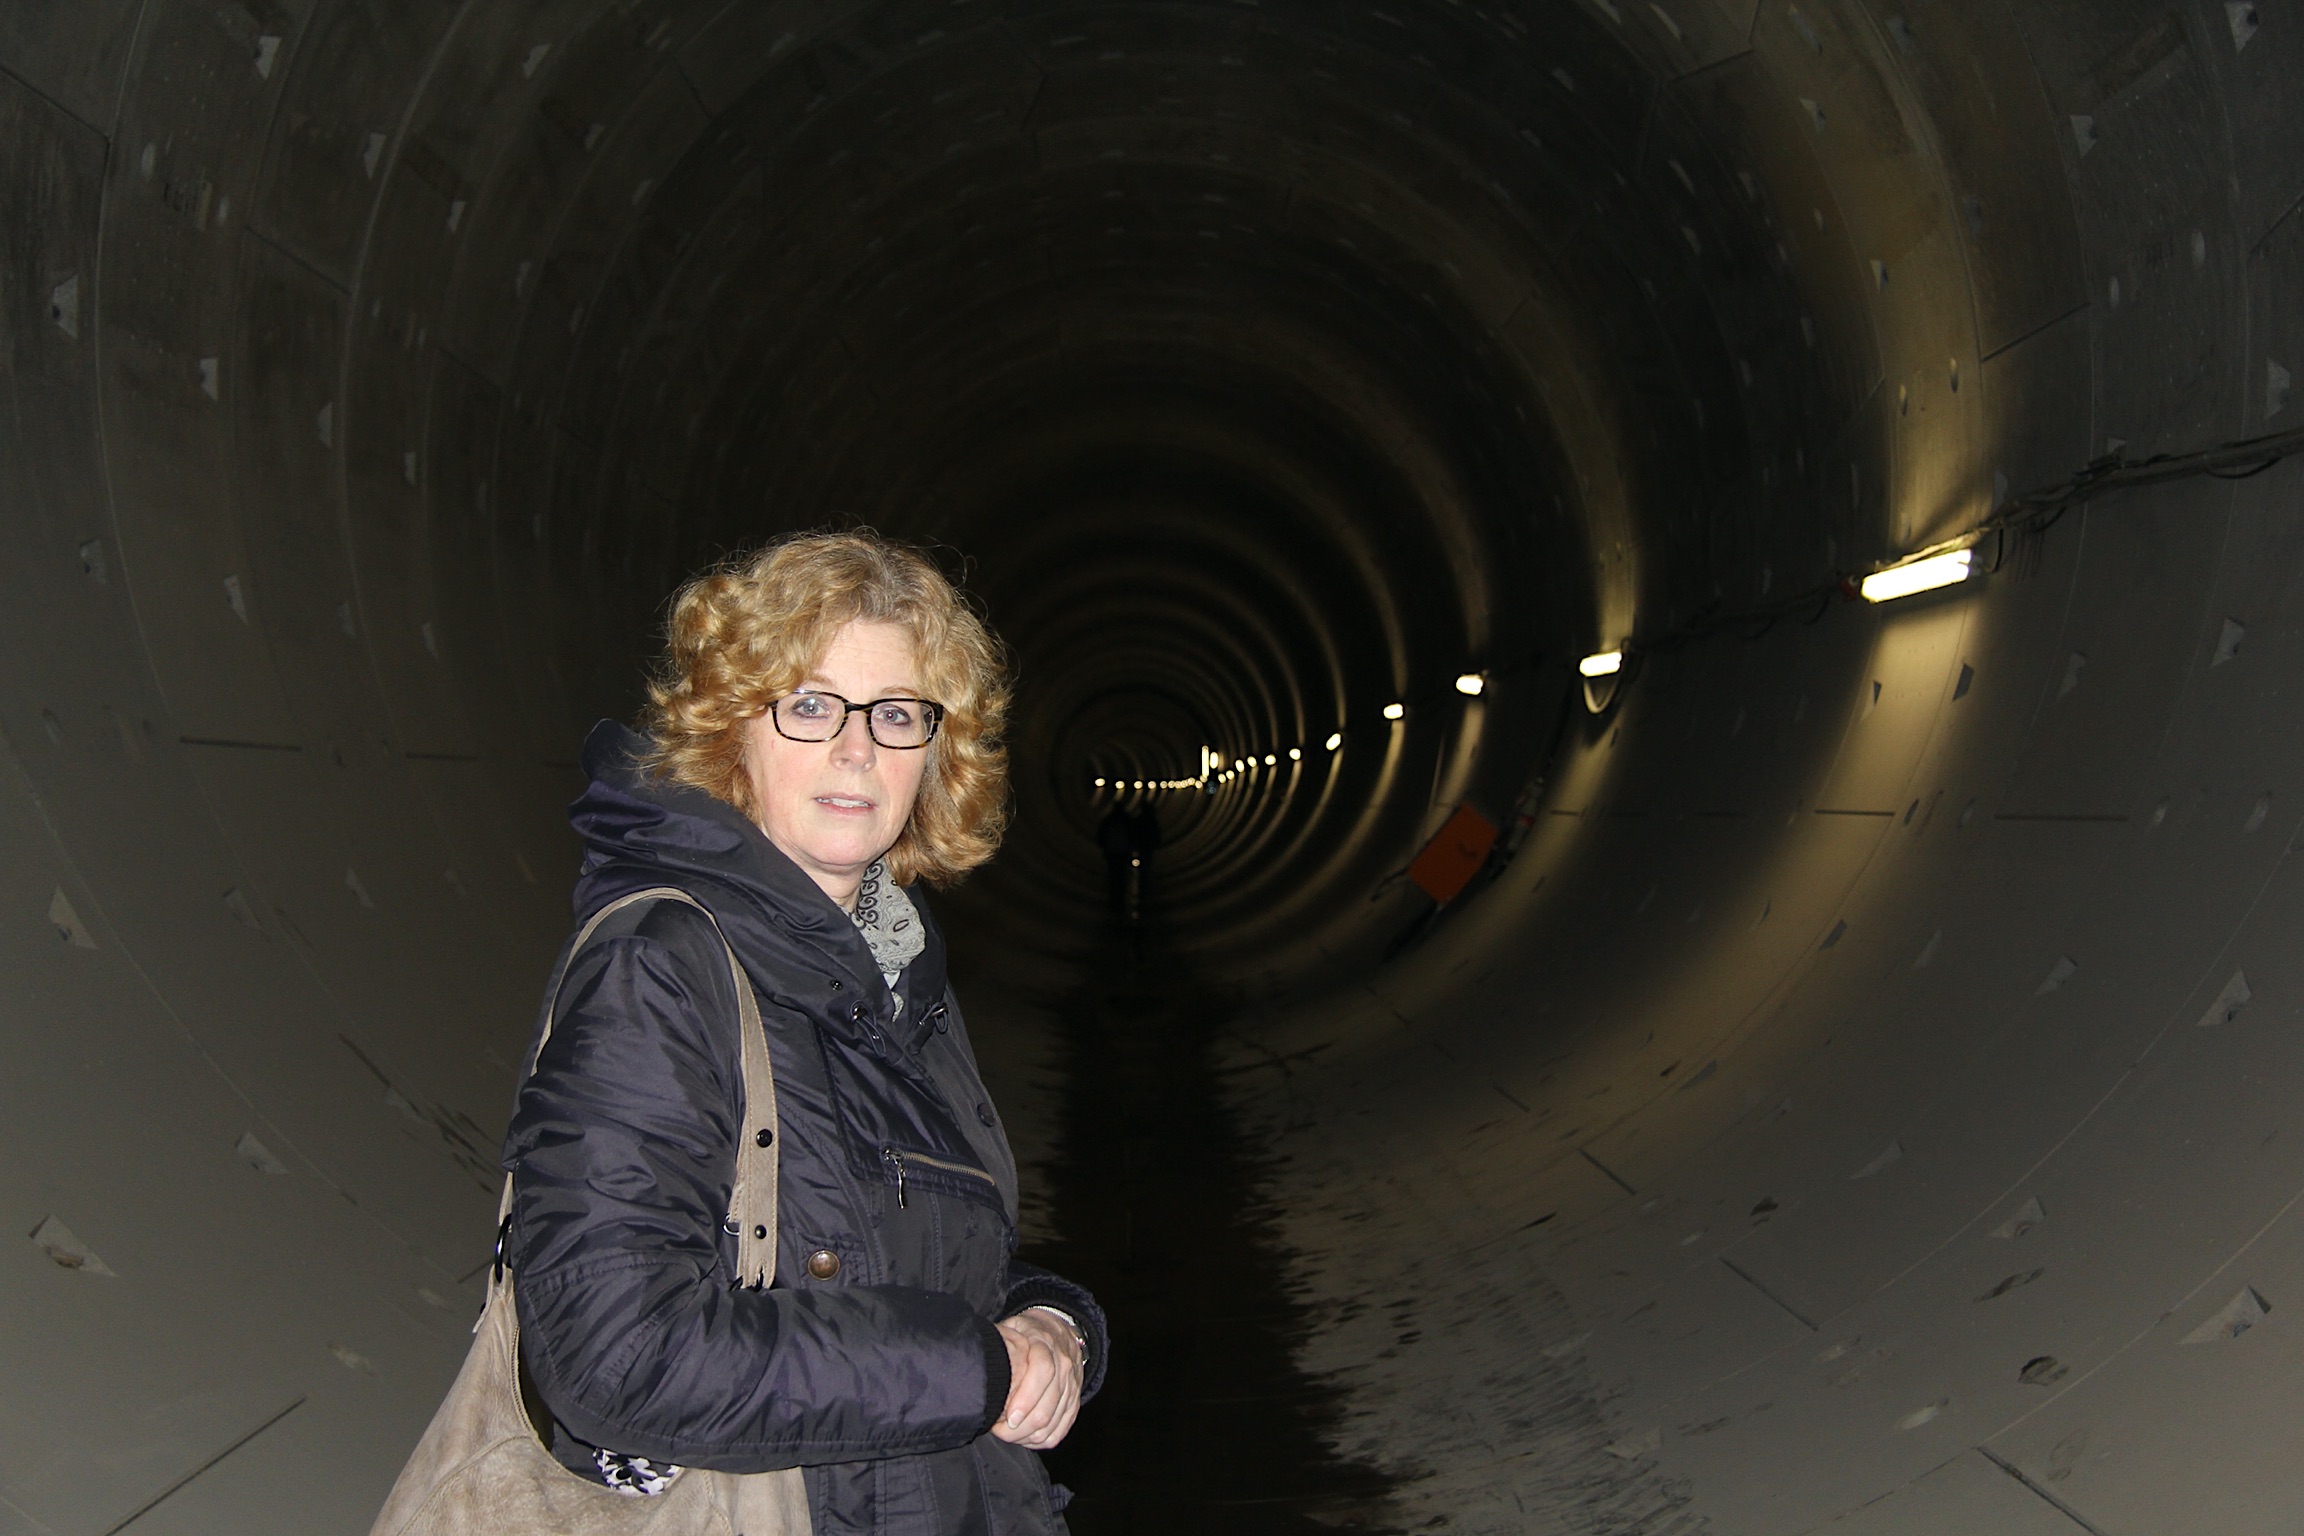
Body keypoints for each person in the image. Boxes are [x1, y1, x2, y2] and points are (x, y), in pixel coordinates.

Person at [502, 531, 1103, 1532]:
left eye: (897, 714)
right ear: (732, 726)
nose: (857, 750)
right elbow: (613, 1351)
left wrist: (1052, 1322)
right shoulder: (663, 967)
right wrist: (973, 1368)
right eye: (812, 705)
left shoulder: (896, 966)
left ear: (935, 752)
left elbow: (912, 1261)